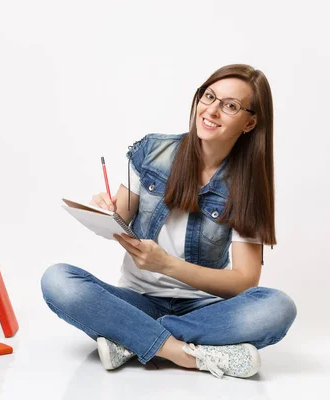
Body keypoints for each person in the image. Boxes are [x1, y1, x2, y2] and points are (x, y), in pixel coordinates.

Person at [41, 64, 297, 379]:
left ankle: (132, 339)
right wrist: (106, 211)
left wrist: (166, 265)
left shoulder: (249, 186)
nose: (212, 110)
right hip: (137, 300)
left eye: (230, 106)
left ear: (249, 122)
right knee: (58, 280)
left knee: (278, 307)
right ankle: (185, 353)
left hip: (205, 310)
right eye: (209, 96)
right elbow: (120, 217)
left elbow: (244, 282)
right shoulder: (154, 150)